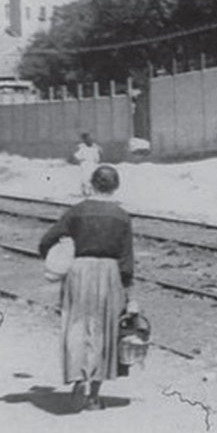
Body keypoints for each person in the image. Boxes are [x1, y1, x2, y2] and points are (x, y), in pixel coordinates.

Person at [38, 165, 135, 412]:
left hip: (79, 272)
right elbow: (126, 259)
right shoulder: (122, 216)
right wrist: (126, 290)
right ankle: (93, 396)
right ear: (116, 186)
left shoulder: (76, 212)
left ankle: (78, 378)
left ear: (91, 184)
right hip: (109, 273)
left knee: (76, 327)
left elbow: (47, 240)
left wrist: (53, 254)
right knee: (104, 331)